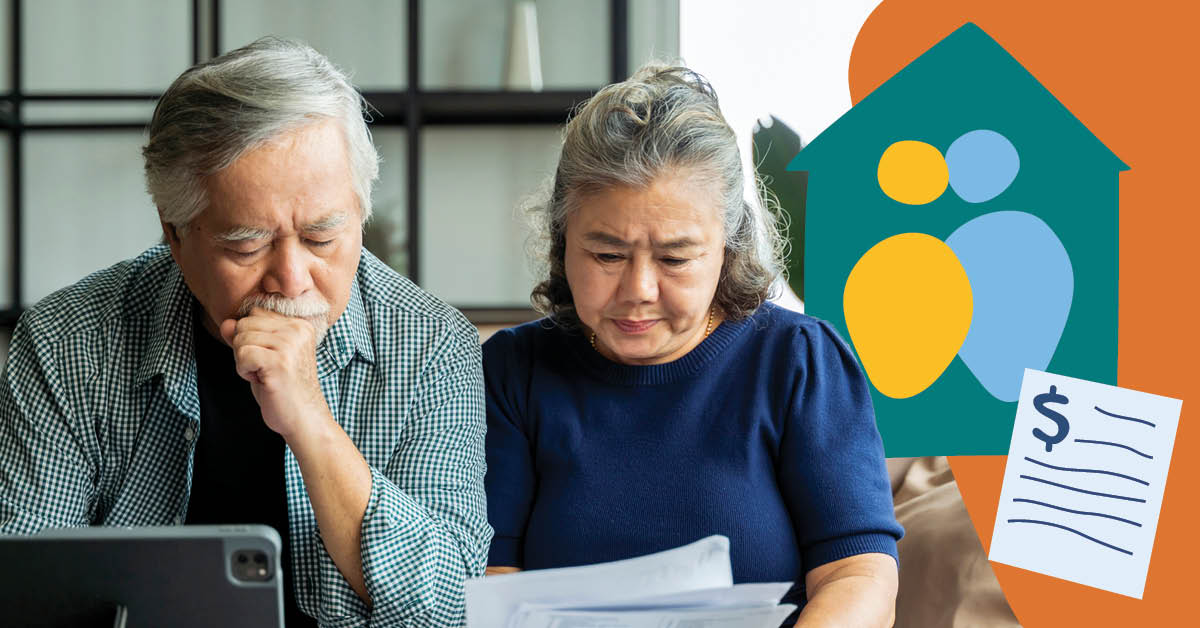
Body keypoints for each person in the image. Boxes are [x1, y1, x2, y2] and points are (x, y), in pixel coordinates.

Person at [0, 38, 491, 627]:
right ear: (175, 232)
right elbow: (23, 591)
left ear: (360, 211)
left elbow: (450, 608)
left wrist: (309, 421)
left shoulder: (432, 344)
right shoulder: (68, 340)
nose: (292, 279)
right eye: (247, 245)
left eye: (321, 238)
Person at [483, 64, 903, 627]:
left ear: (728, 249)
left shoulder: (799, 361)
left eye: (675, 258)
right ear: (563, 242)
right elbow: (493, 576)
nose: (638, 290)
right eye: (607, 255)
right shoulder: (514, 371)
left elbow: (858, 575)